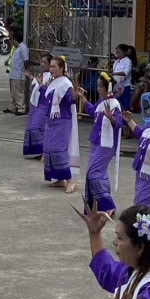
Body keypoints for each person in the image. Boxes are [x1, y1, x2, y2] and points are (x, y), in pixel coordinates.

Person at [75, 71, 123, 214]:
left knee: (93, 174)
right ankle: (105, 206)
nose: (97, 89)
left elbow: (120, 123)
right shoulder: (102, 102)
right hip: (96, 142)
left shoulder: (115, 104)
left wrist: (111, 118)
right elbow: (92, 111)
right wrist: (82, 97)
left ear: (106, 88)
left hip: (107, 145)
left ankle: (107, 205)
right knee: (99, 174)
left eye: (99, 87)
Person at [42, 55, 78, 192]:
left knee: (59, 150)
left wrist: (76, 95)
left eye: (54, 67)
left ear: (61, 68)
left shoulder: (65, 83)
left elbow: (71, 99)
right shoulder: (54, 82)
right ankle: (59, 179)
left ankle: (70, 180)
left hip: (62, 121)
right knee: (50, 149)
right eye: (50, 66)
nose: (51, 69)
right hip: (50, 121)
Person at [23, 54, 51, 158]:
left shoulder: (50, 77)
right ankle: (39, 152)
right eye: (41, 62)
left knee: (36, 128)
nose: (42, 64)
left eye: (45, 62)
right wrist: (30, 76)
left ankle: (44, 151)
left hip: (43, 105)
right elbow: (36, 84)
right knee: (31, 128)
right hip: (35, 104)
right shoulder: (41, 74)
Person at [6, 34, 30, 114]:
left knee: (19, 92)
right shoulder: (18, 48)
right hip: (13, 73)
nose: (12, 42)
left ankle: (21, 108)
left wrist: (26, 70)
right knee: (13, 91)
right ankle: (12, 107)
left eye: (12, 40)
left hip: (18, 74)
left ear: (15, 40)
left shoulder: (23, 48)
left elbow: (26, 60)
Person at [112, 45, 134, 113]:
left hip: (125, 86)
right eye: (117, 52)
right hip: (116, 86)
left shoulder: (128, 61)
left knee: (125, 104)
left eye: (119, 52)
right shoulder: (116, 62)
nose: (117, 54)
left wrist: (114, 73)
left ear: (124, 52)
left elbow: (125, 73)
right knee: (117, 104)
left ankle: (127, 121)